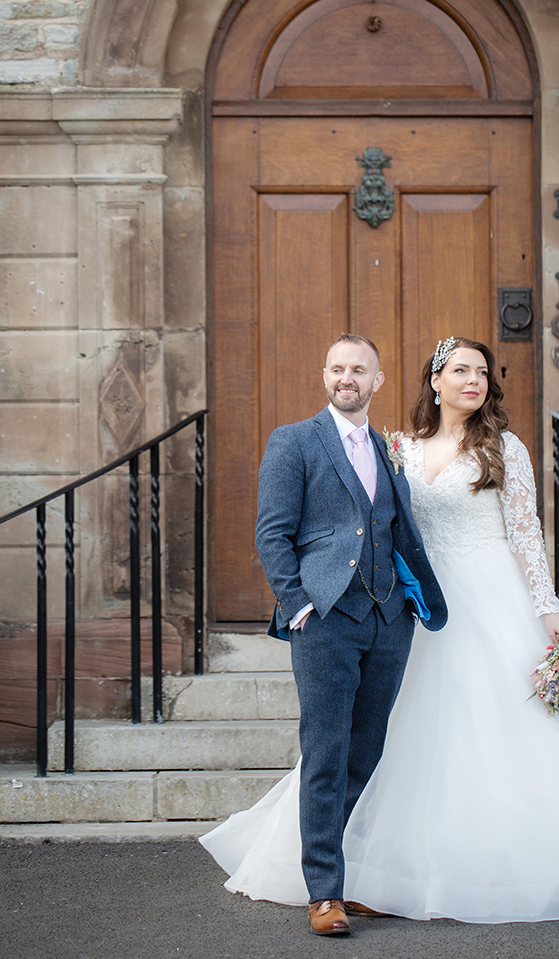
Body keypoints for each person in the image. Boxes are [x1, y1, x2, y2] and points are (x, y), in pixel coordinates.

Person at [201, 336, 559, 925]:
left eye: (482, 372)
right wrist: (305, 601)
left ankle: (500, 862)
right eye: (460, 371)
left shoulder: (504, 448)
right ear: (435, 381)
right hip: (408, 605)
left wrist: (546, 603)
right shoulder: (395, 448)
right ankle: (345, 871)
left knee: (488, 730)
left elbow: (525, 532)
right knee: (380, 737)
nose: (473, 381)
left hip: (489, 595)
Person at [200, 333, 447, 936]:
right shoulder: (295, 441)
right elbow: (272, 533)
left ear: (377, 381)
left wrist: (413, 600)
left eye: (358, 370)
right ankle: (324, 893)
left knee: (367, 751)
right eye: (337, 368)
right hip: (327, 619)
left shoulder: (388, 450)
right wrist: (298, 602)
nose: (347, 378)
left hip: (389, 619)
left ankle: (343, 872)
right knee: (327, 751)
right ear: (324, 376)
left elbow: (394, 527)